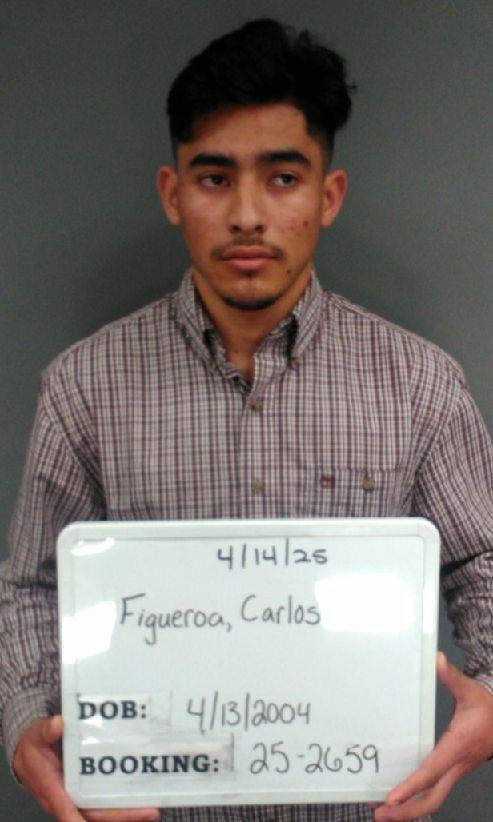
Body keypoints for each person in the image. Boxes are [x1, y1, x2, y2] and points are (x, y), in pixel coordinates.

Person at [1, 16, 492, 822]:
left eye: (283, 177)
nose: (247, 215)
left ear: (328, 196)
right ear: (173, 194)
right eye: (214, 178)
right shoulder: (82, 387)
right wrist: (26, 726)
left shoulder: (420, 385)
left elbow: (482, 561)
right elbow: (31, 585)